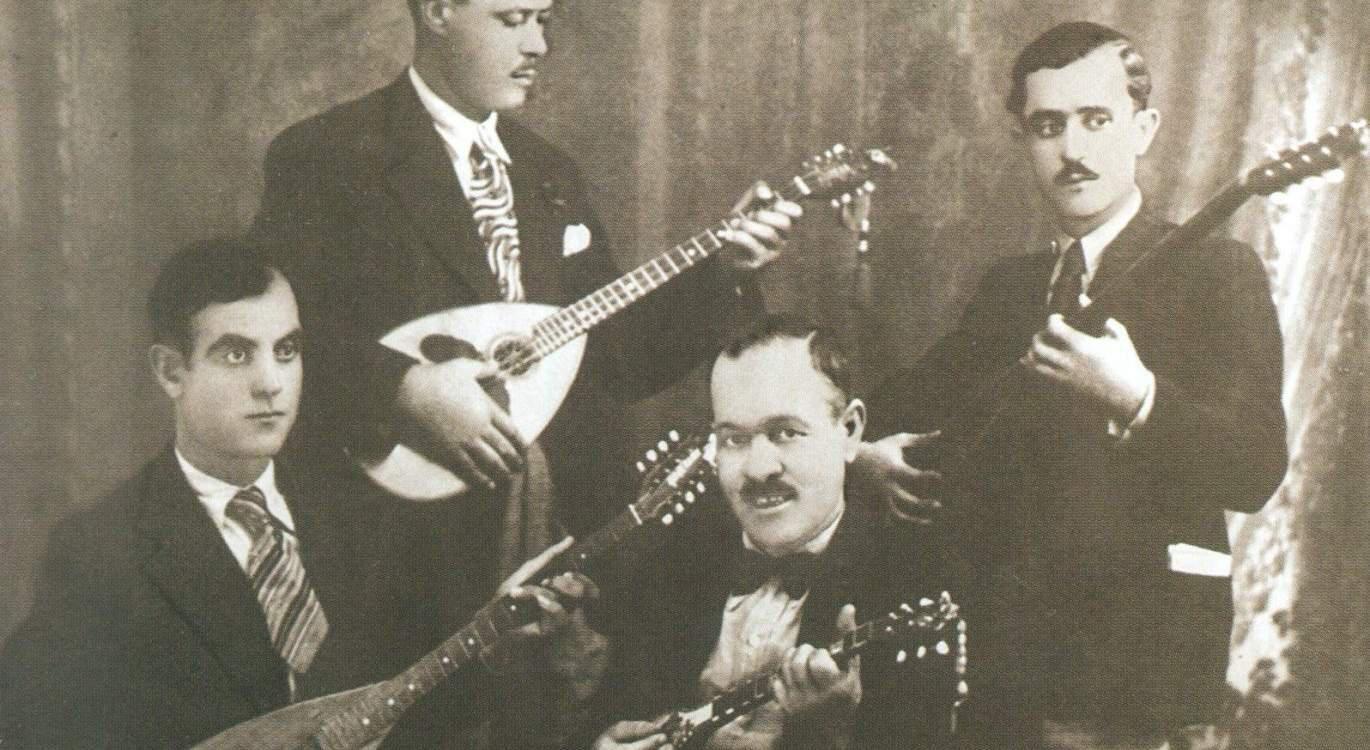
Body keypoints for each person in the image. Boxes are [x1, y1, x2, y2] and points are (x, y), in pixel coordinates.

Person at [858, 22, 1288, 749]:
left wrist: (1137, 397)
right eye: (1048, 126)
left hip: (1136, 673)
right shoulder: (1009, 290)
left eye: (1097, 119)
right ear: (1024, 140)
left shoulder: (1216, 272)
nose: (1073, 150)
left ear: (1144, 129)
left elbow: (1255, 468)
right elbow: (909, 400)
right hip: (1000, 668)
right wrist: (862, 455)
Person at [252, 0, 799, 555]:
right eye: (512, 20)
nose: (537, 45)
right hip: (400, 536)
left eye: (542, 20)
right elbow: (271, 335)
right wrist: (403, 389)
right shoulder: (328, 156)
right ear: (438, 12)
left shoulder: (548, 172)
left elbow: (614, 360)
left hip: (556, 531)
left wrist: (723, 270)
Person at [0, 239, 592, 749]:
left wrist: (496, 644)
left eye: (286, 351)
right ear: (170, 372)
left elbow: (419, 713)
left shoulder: (363, 504)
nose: (271, 383)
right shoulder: (100, 549)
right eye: (236, 354)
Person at [587, 315, 964, 750]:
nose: (758, 468)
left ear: (849, 431)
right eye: (734, 439)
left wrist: (827, 735)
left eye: (786, 433)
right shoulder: (674, 562)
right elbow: (610, 713)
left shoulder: (913, 584)